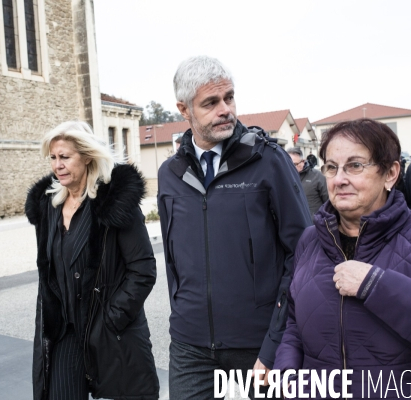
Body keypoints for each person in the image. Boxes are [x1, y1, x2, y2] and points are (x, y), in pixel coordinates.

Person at [273, 118, 411, 398]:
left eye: (355, 165)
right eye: (331, 167)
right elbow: (294, 322)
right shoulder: (310, 240)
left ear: (391, 173)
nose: (340, 178)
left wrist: (376, 285)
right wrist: (287, 377)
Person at [157, 56, 312, 399]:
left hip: (256, 348)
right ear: (184, 110)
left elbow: (303, 254)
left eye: (229, 97)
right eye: (211, 103)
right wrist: (182, 314)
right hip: (190, 350)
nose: (225, 109)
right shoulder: (170, 174)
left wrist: (275, 343)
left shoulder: (268, 161)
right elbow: (172, 259)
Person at [25, 121, 159, 400]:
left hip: (109, 331)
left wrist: (111, 319)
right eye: (53, 158)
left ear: (86, 157)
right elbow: (48, 276)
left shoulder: (114, 203)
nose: (57, 165)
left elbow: (143, 270)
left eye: (65, 157)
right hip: (65, 334)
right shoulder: (49, 207)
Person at [287, 147, 328, 218]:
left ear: (303, 162)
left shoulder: (318, 176)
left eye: (294, 164)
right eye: (287, 164)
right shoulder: (283, 178)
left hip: (315, 225)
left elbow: (328, 203)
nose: (291, 168)